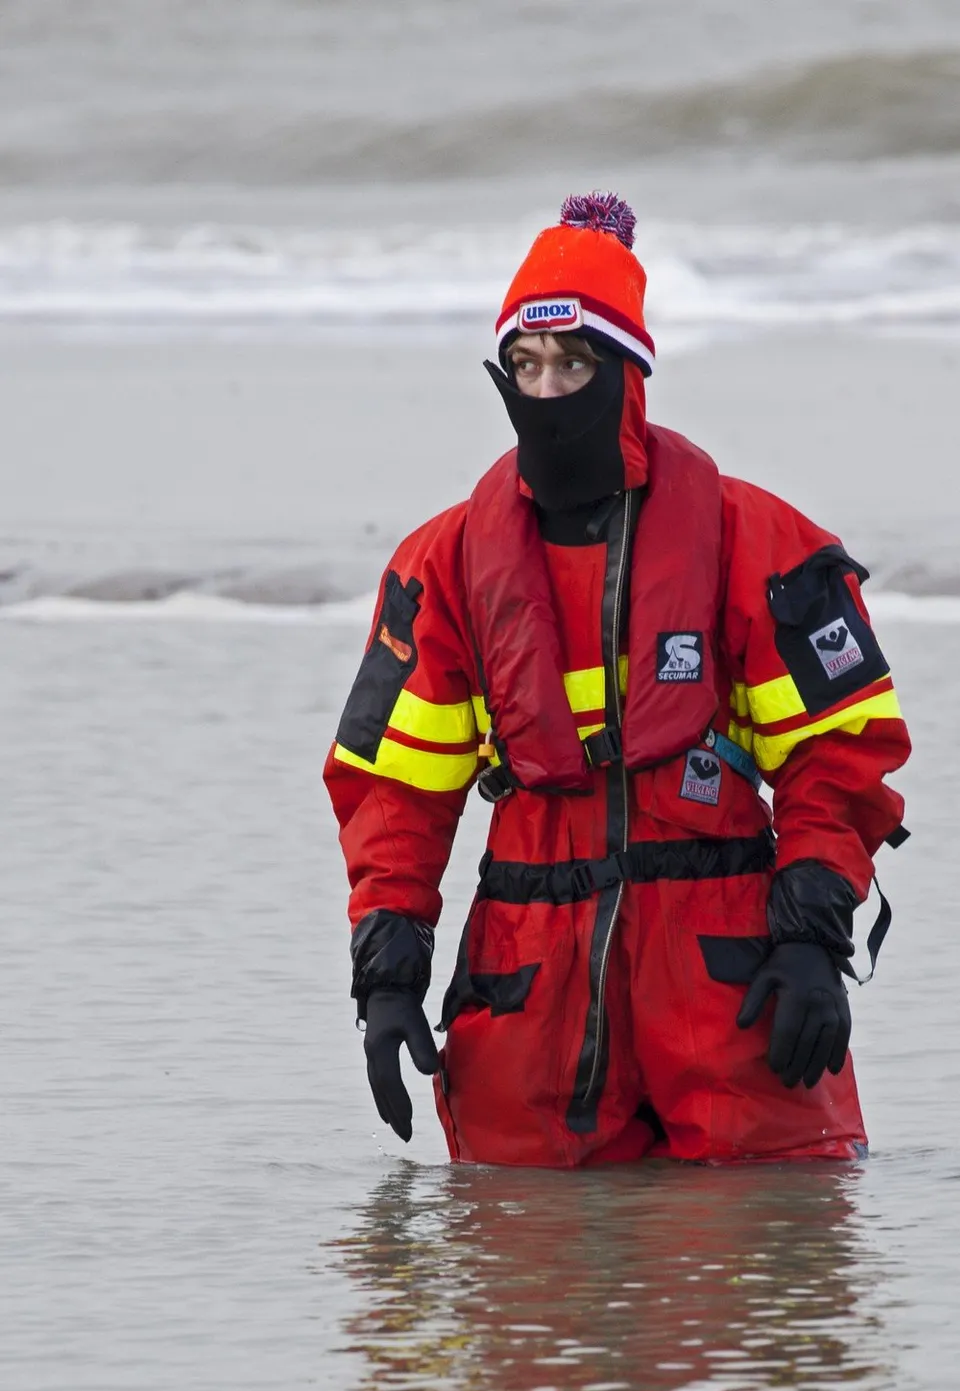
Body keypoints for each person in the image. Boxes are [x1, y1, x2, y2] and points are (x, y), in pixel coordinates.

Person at [324, 193, 911, 1166]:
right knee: (524, 1251)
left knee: (771, 1241)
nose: (547, 388)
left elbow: (838, 754)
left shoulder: (759, 541)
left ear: (628, 373)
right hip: (526, 998)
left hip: (730, 988)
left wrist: (813, 937)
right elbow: (394, 791)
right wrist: (387, 975)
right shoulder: (442, 565)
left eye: (573, 364)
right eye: (524, 365)